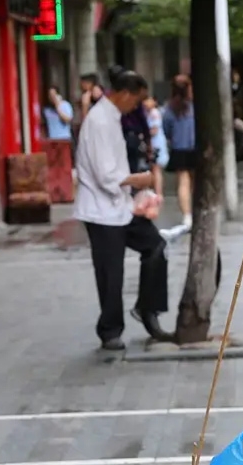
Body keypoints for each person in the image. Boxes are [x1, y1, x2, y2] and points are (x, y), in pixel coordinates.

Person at [73, 70, 172, 350]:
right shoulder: (99, 121)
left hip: (122, 206)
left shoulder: (114, 118)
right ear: (126, 94)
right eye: (136, 100)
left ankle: (148, 308)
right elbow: (106, 176)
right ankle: (110, 330)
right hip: (100, 209)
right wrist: (138, 180)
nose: (137, 106)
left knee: (155, 247)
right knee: (110, 271)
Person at [162, 75, 195, 238]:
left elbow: (166, 129)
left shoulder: (169, 109)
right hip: (196, 148)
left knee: (183, 183)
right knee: (196, 182)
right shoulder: (195, 107)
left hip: (178, 147)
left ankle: (187, 216)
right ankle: (197, 211)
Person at [143, 96, 169, 198]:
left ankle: (158, 193)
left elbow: (154, 130)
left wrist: (144, 134)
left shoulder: (154, 113)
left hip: (156, 144)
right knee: (153, 169)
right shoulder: (147, 113)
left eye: (148, 100)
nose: (146, 102)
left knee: (156, 169)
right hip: (152, 143)